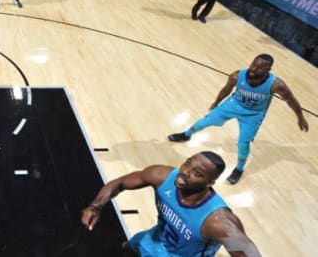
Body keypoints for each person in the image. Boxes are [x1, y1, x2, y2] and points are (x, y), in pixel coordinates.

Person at [81, 151, 262, 257]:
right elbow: (120, 183)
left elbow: (249, 252)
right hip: (154, 240)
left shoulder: (218, 222)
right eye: (187, 164)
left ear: (209, 184)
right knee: (128, 248)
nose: (184, 172)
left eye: (196, 173)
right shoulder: (162, 176)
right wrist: (95, 206)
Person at [168, 54, 309, 184]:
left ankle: (239, 169)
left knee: (243, 143)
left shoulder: (276, 85)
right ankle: (186, 134)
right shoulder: (237, 76)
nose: (254, 68)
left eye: (259, 67)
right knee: (207, 120)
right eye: (253, 64)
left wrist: (300, 118)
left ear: (268, 70)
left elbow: (291, 100)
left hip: (253, 114)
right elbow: (226, 89)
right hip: (233, 105)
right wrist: (216, 102)